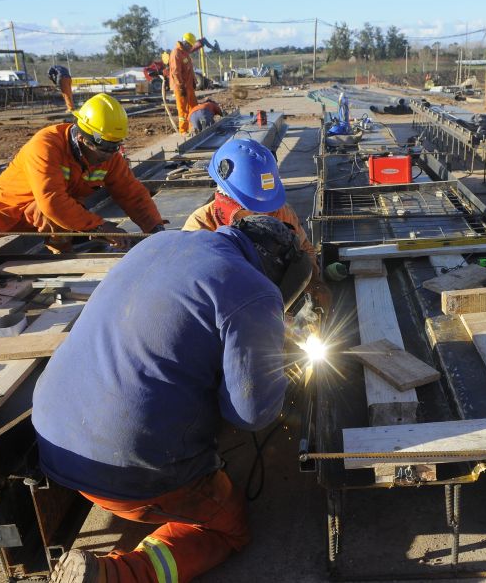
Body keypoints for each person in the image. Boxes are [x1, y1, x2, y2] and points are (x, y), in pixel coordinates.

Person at [36, 215, 312, 583]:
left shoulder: (162, 243)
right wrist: (275, 368)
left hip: (54, 440)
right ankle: (116, 574)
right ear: (279, 271)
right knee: (227, 527)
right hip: (123, 471)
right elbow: (252, 415)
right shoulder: (254, 289)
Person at [0, 93, 164, 287]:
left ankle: (65, 261)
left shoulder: (108, 155)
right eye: (103, 151)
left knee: (50, 211)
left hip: (51, 216)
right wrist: (101, 227)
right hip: (6, 208)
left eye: (115, 149)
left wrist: (156, 230)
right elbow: (52, 200)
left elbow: (132, 193)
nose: (109, 157)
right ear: (83, 138)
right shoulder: (46, 145)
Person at [182, 138, 332, 313]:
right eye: (254, 210)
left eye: (266, 208)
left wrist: (314, 281)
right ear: (229, 198)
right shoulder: (200, 227)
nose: (265, 215)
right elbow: (195, 291)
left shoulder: (279, 211)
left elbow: (305, 248)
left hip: (276, 302)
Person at [169, 32, 217, 135]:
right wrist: (181, 87)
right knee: (183, 110)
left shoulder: (185, 52)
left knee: (194, 107)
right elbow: (175, 72)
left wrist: (194, 81)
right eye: (190, 45)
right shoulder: (176, 53)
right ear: (185, 43)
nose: (191, 47)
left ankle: (193, 127)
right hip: (181, 87)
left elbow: (189, 70)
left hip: (189, 85)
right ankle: (183, 131)